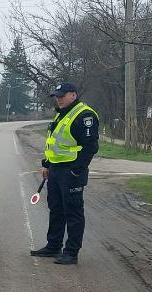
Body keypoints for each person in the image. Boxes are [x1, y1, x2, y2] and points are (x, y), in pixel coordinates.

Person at [32, 82, 99, 265]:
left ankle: (71, 252)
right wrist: (46, 164)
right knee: (56, 209)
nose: (59, 99)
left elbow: (90, 146)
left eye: (62, 96)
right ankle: (53, 245)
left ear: (73, 96)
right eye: (57, 96)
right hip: (55, 170)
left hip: (71, 172)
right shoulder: (62, 115)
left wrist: (76, 169)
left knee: (73, 212)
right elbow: (53, 143)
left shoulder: (85, 115)